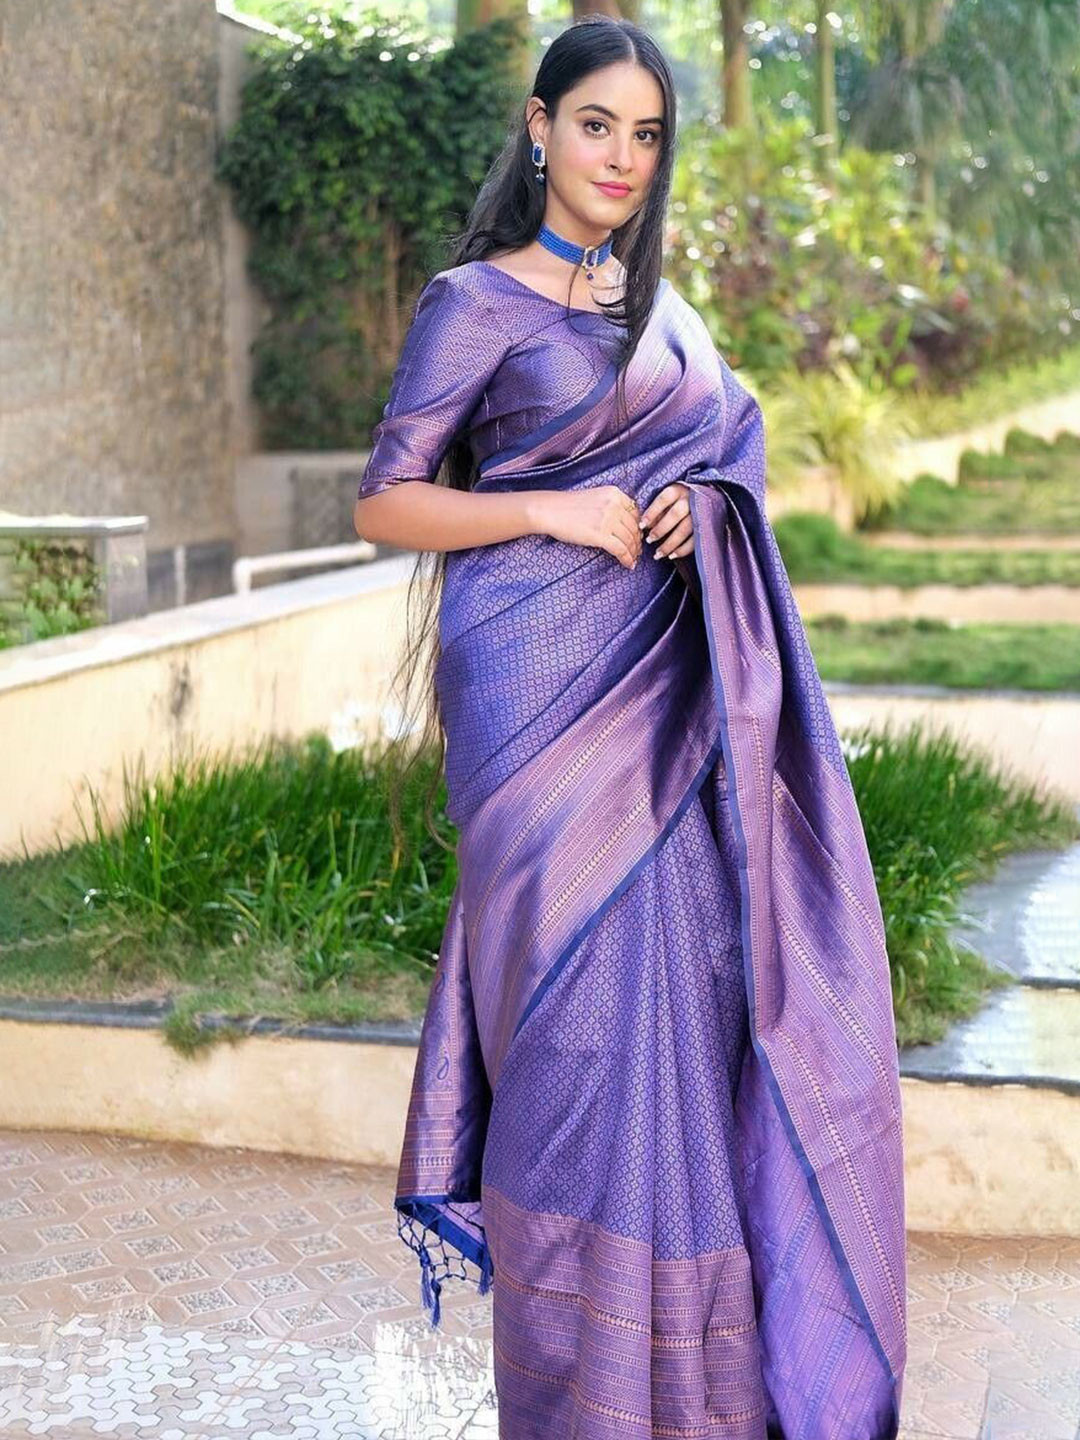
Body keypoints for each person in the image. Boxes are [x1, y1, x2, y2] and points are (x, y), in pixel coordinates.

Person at [353, 15, 907, 1439]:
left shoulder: (669, 318)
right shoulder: (474, 301)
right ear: (539, 128)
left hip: (669, 703)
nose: (620, 157)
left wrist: (698, 509)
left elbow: (736, 461)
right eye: (595, 123)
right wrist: (551, 509)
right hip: (531, 703)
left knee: (682, 1018)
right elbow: (386, 500)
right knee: (574, 1039)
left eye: (646, 134)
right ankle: (577, 1395)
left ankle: (693, 1397)